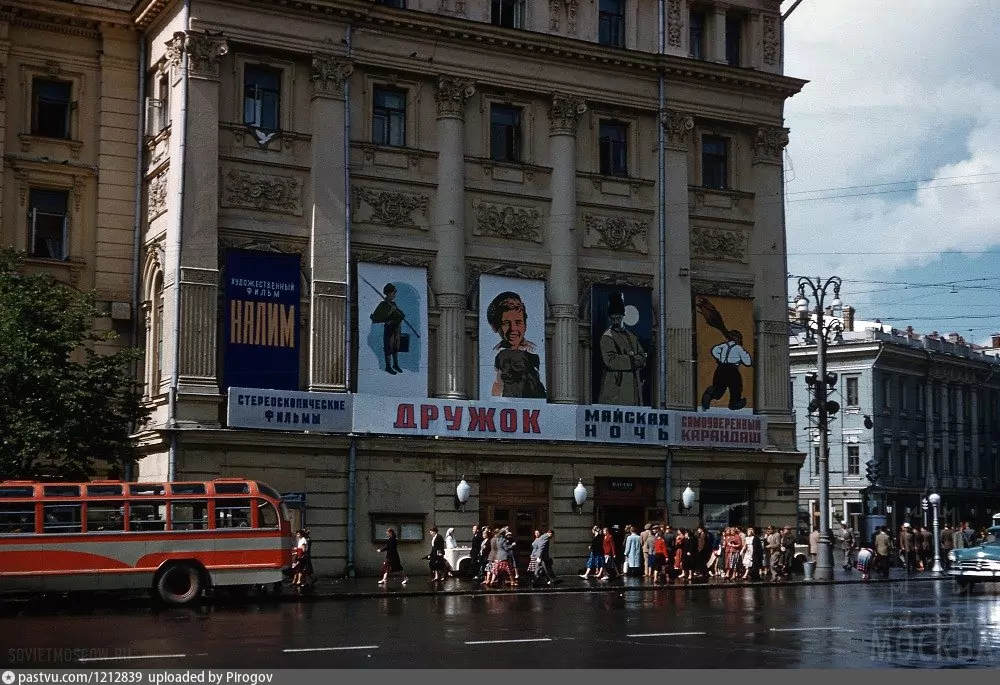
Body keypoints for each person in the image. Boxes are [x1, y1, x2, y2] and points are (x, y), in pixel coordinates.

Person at [487, 291, 546, 399]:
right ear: (495, 326)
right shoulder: (496, 354)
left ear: (525, 324)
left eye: (518, 322)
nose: (513, 329)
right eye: (506, 323)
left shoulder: (534, 352)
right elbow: (497, 386)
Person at [597, 292, 647, 406]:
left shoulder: (631, 336)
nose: (615, 321)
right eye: (613, 318)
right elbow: (611, 361)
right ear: (609, 318)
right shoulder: (607, 337)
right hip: (615, 386)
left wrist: (633, 359)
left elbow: (642, 357)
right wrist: (633, 359)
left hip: (632, 385)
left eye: (618, 318)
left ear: (622, 317)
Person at [369, 283, 406, 375]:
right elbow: (377, 317)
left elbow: (400, 315)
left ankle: (396, 364)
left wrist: (399, 313)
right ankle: (388, 366)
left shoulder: (393, 304)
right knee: (389, 346)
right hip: (389, 328)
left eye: (394, 293)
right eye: (393, 293)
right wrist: (391, 311)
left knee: (396, 346)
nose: (394, 295)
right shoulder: (383, 304)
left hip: (397, 327)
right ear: (388, 293)